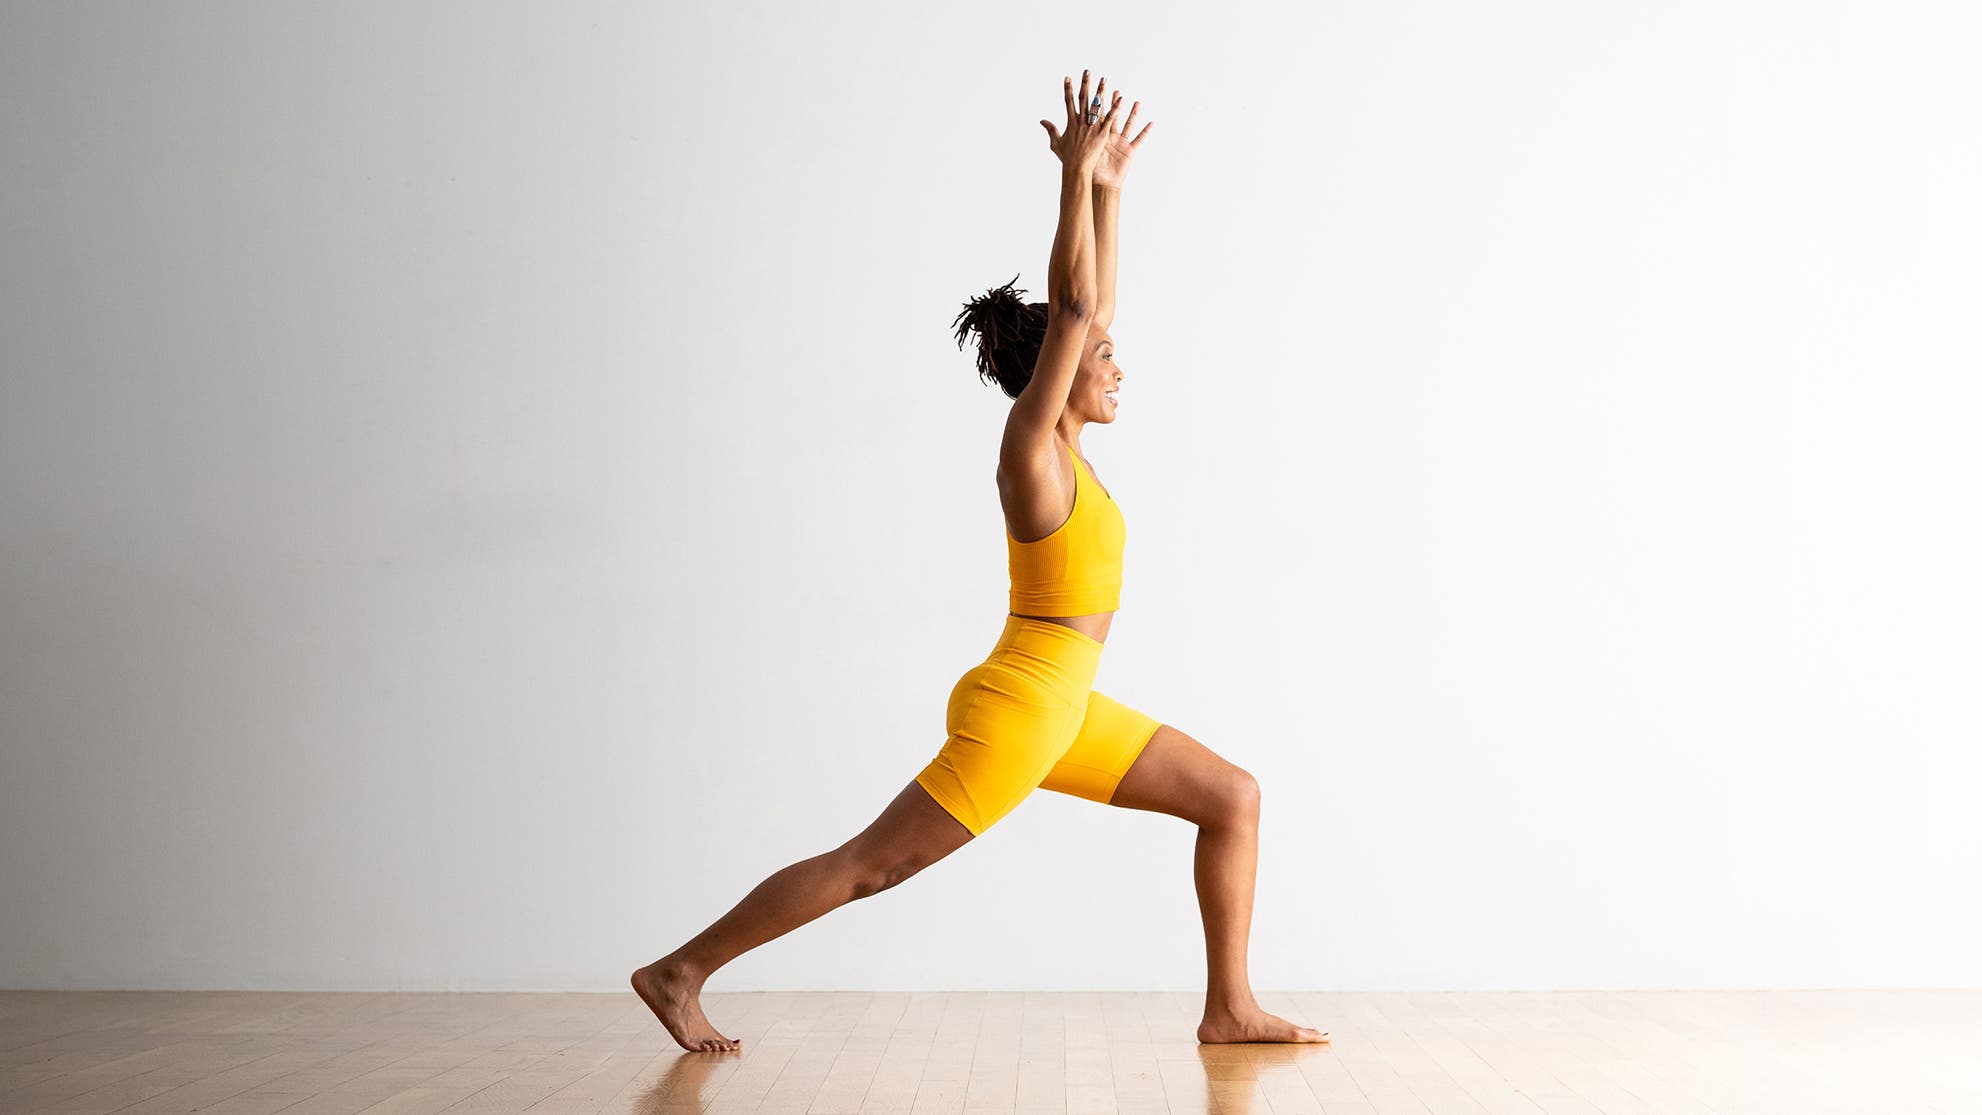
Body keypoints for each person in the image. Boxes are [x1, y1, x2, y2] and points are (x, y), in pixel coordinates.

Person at [633, 70, 1328, 1052]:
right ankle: (680, 969)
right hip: (1022, 703)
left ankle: (1227, 1005)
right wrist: (1071, 182)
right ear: (1057, 373)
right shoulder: (1030, 452)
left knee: (1230, 795)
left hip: (1061, 702)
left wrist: (1111, 189)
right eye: (1101, 356)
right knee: (871, 864)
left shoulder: (1071, 458)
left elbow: (1091, 306)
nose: (1116, 363)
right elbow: (1078, 303)